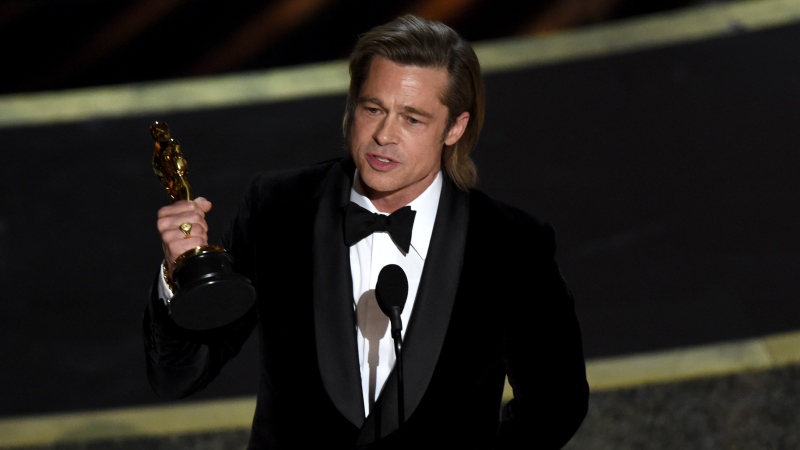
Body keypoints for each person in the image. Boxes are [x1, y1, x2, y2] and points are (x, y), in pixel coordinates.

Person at [144, 14, 589, 449]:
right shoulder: (279, 208)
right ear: (353, 105)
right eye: (373, 108)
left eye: (412, 119)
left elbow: (556, 405)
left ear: (455, 127)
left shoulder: (510, 244)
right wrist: (178, 275)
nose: (383, 136)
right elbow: (179, 375)